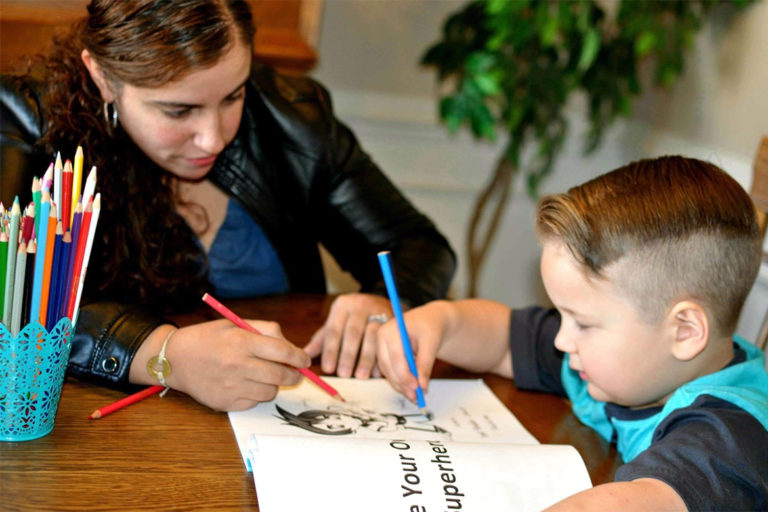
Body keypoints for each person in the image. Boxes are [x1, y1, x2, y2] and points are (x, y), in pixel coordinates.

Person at [0, 0, 455, 412]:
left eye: (233, 96)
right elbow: (10, 302)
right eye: (179, 111)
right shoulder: (27, 121)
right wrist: (163, 354)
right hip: (109, 445)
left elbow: (417, 244)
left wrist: (381, 300)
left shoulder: (293, 118)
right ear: (102, 76)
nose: (214, 137)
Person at [376, 156, 768, 511]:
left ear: (684, 332)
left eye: (583, 323)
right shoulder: (618, 367)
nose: (562, 341)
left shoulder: (729, 435)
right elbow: (501, 341)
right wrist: (438, 322)